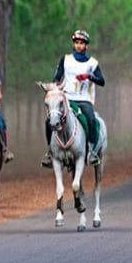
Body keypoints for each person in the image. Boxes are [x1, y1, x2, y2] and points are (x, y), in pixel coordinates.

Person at [42, 30, 105, 167]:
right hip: (67, 98)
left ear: (86, 46)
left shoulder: (92, 63)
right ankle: (50, 152)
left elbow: (102, 81)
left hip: (84, 99)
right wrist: (53, 86)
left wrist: (89, 76)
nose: (78, 46)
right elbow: (57, 77)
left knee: (90, 119)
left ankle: (92, 151)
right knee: (49, 120)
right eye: (76, 43)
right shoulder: (66, 60)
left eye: (81, 43)